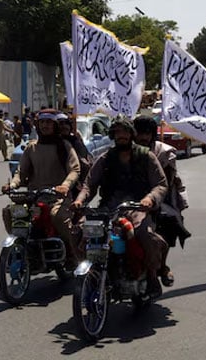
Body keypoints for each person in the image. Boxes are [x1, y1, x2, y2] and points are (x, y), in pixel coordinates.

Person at [72, 116, 169, 299]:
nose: (121, 136)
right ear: (112, 135)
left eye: (124, 131)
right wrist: (80, 200)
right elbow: (89, 185)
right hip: (108, 209)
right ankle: (90, 271)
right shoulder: (105, 158)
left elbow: (161, 184)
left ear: (131, 134)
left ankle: (152, 277)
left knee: (146, 236)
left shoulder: (146, 156)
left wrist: (150, 199)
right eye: (117, 132)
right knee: (78, 230)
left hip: (137, 209)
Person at [1, 109, 82, 268]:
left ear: (55, 125)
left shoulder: (64, 146)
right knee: (9, 212)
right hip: (34, 196)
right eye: (42, 122)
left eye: (49, 122)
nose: (45, 125)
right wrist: (12, 185)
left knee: (57, 216)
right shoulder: (31, 147)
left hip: (57, 197)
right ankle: (21, 246)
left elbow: (75, 169)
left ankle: (72, 253)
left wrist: (65, 186)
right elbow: (20, 172)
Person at [133, 115, 192, 287]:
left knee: (167, 221)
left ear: (152, 134)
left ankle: (162, 266)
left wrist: (151, 199)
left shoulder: (164, 152)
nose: (143, 137)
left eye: (147, 133)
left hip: (158, 198)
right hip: (128, 198)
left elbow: (164, 183)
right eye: (139, 133)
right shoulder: (125, 150)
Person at [56, 112, 92, 199]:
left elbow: (84, 163)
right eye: (61, 124)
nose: (64, 126)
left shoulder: (76, 142)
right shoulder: (52, 143)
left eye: (66, 124)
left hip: (74, 184)